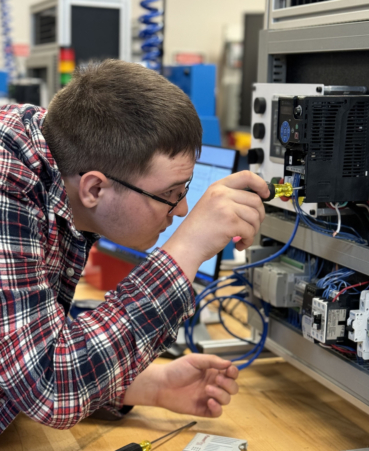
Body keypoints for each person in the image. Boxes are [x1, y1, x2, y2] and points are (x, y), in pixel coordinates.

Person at [0, 59, 269, 433]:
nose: (182, 210)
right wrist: (186, 248)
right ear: (94, 188)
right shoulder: (8, 186)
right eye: (169, 194)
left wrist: (150, 387)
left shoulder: (51, 152)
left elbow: (16, 367)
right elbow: (48, 386)